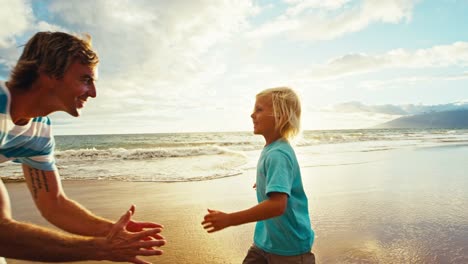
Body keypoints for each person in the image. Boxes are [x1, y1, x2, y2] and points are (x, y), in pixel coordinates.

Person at [0, 31, 165, 263]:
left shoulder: (38, 131)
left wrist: (113, 231)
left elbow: (54, 204)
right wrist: (100, 249)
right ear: (47, 72)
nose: (94, 93)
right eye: (85, 80)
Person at [202, 87, 315, 263]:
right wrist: (266, 181)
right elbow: (281, 180)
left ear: (280, 115)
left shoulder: (278, 154)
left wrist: (230, 219)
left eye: (259, 109)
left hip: (288, 248)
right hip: (265, 241)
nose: (252, 115)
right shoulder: (272, 148)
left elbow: (277, 206)